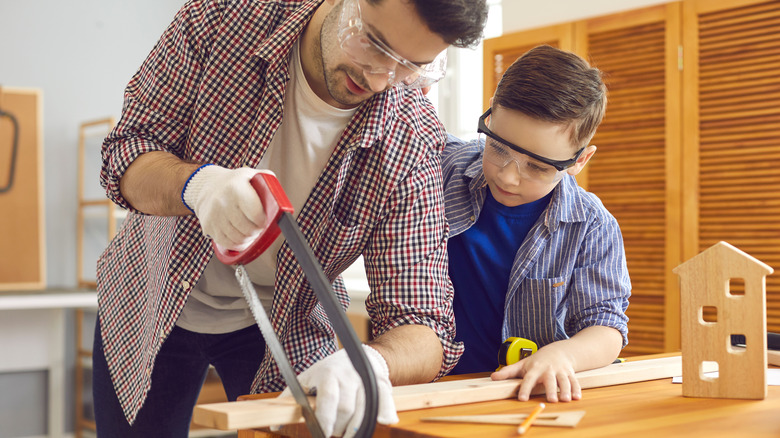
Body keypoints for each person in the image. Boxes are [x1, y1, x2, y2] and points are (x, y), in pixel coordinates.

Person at [94, 0, 487, 436]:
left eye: (409, 66)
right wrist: (198, 187)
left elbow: (423, 321)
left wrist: (371, 363)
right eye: (374, 43)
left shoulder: (410, 137)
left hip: (286, 320)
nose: (378, 79)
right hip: (149, 294)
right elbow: (126, 153)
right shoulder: (221, 19)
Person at [442, 45, 631, 403]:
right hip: (437, 389)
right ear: (490, 115)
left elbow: (607, 328)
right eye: (498, 148)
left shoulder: (592, 226)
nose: (509, 177)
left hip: (528, 397)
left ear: (579, 160)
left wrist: (565, 354)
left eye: (538, 167)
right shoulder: (444, 167)